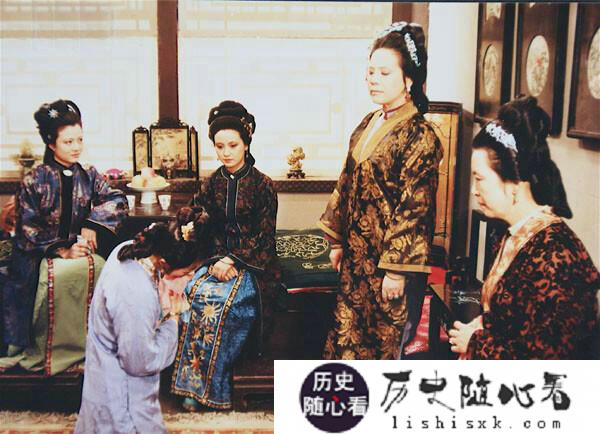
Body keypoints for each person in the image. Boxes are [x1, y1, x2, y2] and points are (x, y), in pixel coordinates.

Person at [317, 22, 443, 360]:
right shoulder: (369, 122)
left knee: (381, 349)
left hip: (390, 268)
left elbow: (415, 209)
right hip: (357, 260)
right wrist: (337, 241)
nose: (373, 78)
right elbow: (345, 182)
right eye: (371, 71)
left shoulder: (420, 136)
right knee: (345, 343)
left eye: (384, 73)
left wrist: (397, 270)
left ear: (409, 80)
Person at [449, 96, 599, 359]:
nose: (474, 190)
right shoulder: (515, 234)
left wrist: (476, 343)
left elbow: (550, 365)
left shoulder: (556, 259)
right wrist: (481, 325)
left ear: (515, 183)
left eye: (480, 179)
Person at [0, 99, 128, 373]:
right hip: (37, 255)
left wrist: (93, 223)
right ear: (51, 143)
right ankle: (40, 351)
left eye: (79, 140)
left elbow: (117, 199)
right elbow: (27, 230)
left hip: (79, 248)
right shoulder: (35, 180)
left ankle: (90, 348)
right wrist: (62, 250)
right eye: (68, 142)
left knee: (104, 269)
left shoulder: (89, 175)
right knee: (46, 278)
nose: (76, 147)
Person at [171, 100, 280, 410]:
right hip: (215, 260)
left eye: (233, 145)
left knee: (223, 303)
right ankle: (191, 385)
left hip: (252, 265)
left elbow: (265, 238)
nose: (226, 152)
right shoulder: (211, 184)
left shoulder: (263, 186)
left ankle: (214, 387)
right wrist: (192, 222)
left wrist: (232, 260)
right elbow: (198, 220)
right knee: (195, 293)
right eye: (220, 146)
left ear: (246, 143)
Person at [75, 208, 210, 433]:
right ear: (165, 263)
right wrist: (172, 319)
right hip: (122, 401)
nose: (190, 278)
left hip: (105, 378)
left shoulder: (130, 250)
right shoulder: (136, 292)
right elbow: (141, 362)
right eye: (189, 271)